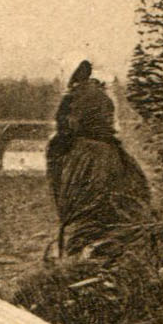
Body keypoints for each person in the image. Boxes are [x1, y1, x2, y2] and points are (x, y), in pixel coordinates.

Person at [45, 59, 151, 259]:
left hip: (85, 155)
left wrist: (57, 147)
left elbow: (68, 129)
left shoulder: (73, 98)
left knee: (81, 198)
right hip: (110, 153)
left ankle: (80, 247)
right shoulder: (103, 97)